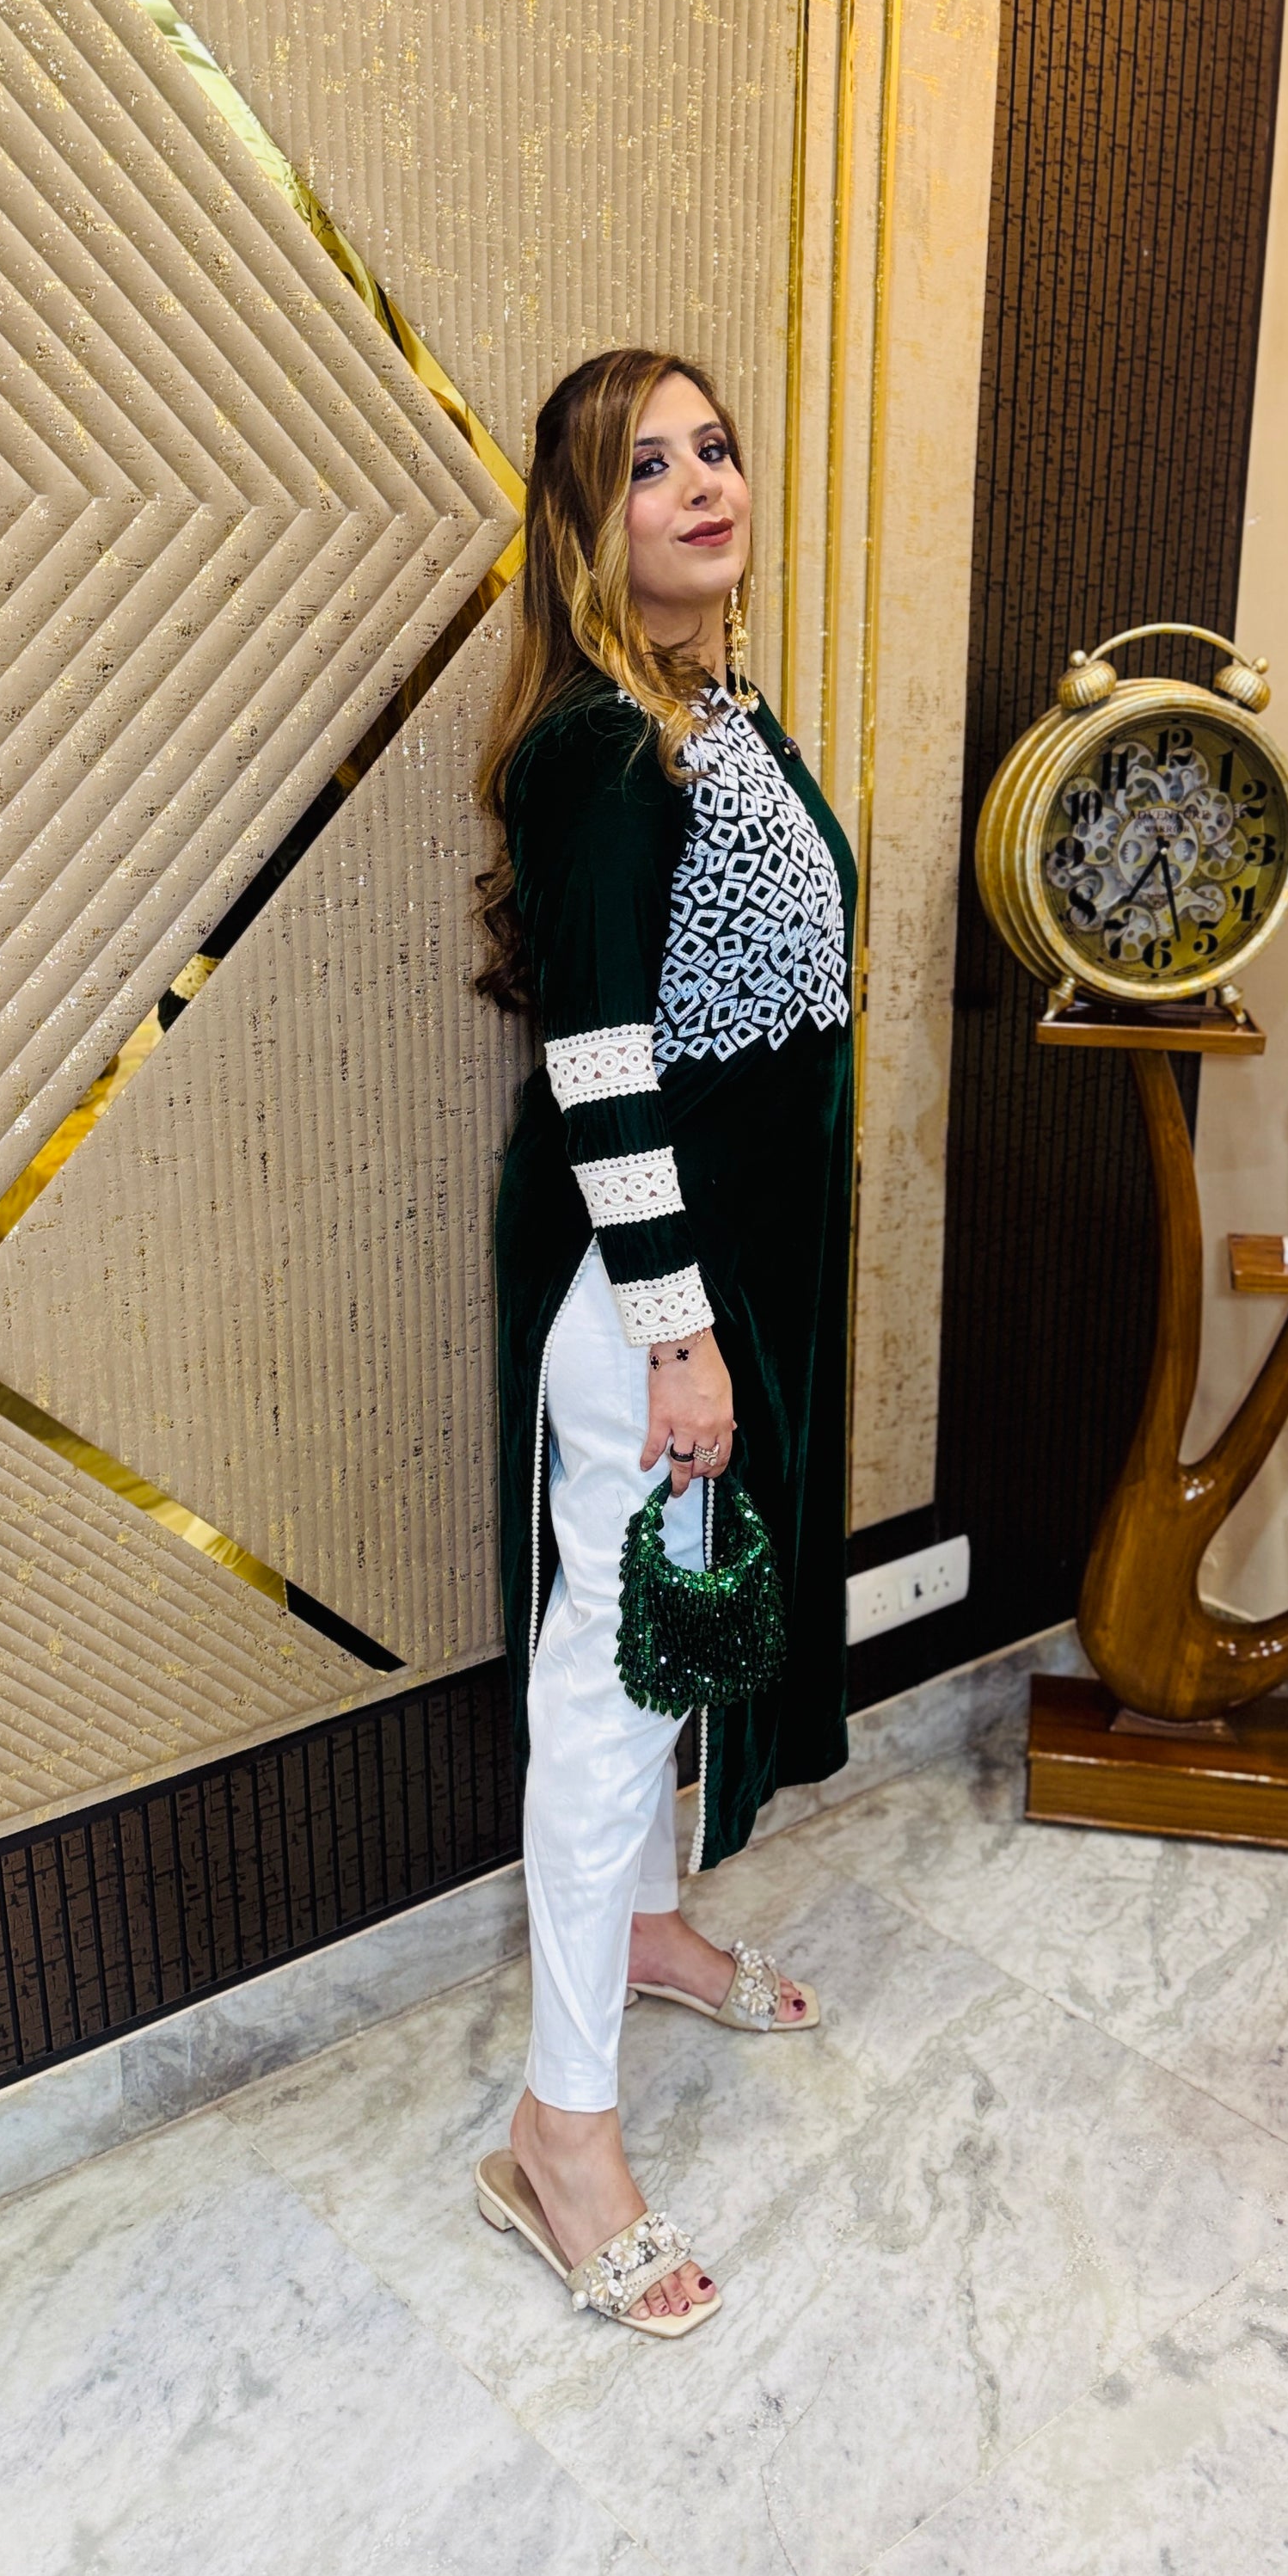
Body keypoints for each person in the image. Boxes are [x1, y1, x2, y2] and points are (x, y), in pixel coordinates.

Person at [471, 347, 856, 2336]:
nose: (705, 481)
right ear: (582, 523)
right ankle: (557, 2131)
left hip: (718, 1282)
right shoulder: (596, 749)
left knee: (670, 1639)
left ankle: (645, 1928)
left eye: (716, 447)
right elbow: (601, 1066)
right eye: (649, 465)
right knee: (614, 1681)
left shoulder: (717, 706)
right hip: (645, 1295)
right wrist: (681, 1338)